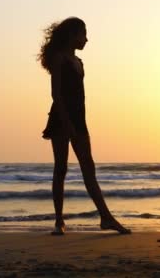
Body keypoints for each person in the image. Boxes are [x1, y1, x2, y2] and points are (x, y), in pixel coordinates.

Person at [38, 17, 130, 235]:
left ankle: (106, 218)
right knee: (60, 169)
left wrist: (77, 122)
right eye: (83, 34)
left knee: (89, 168)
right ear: (72, 35)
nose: (86, 39)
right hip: (61, 118)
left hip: (79, 119)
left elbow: (80, 97)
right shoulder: (60, 59)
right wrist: (67, 123)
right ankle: (59, 222)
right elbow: (56, 94)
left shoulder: (79, 62)